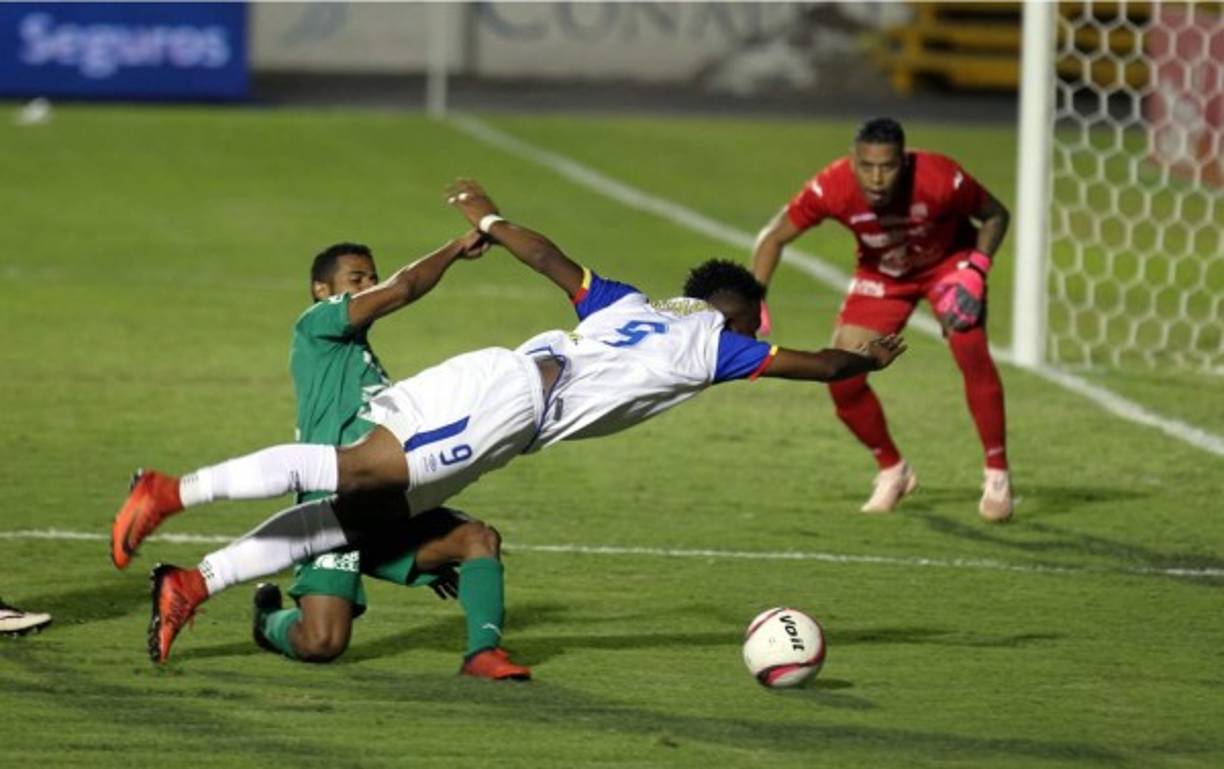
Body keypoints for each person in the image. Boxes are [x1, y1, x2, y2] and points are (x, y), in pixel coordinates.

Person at [113, 178, 907, 664]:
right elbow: (817, 364)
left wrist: (492, 219)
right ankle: (169, 490)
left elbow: (551, 259)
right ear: (740, 313)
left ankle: (197, 580)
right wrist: (866, 358)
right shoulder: (715, 346)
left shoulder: (629, 303)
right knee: (360, 475)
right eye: (750, 325)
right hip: (509, 395)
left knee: (357, 512)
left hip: (512, 412)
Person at [113, 232, 530, 680]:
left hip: (390, 499)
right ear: (322, 290)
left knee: (476, 539)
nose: (369, 285)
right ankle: (266, 621)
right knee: (323, 643)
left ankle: (483, 653)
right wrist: (453, 249)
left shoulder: (360, 356)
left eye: (372, 276)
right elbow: (401, 289)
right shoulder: (319, 326)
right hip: (334, 499)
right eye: (357, 278)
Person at [750, 117, 1013, 522]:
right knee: (843, 377)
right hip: (883, 278)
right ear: (853, 161)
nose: (876, 178)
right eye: (866, 166)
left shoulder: (942, 178)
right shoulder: (832, 186)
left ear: (903, 163)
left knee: (969, 346)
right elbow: (774, 237)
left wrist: (975, 270)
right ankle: (894, 470)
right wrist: (755, 298)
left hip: (947, 267)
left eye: (887, 167)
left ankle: (997, 473)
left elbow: (996, 216)